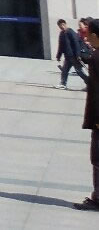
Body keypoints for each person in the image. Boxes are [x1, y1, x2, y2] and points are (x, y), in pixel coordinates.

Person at [78, 20, 99, 210]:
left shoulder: (97, 57)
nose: (86, 37)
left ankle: (98, 198)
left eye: (87, 34)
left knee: (97, 159)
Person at [60, 19, 91, 90]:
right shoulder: (62, 34)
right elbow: (61, 45)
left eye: (80, 25)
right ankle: (63, 84)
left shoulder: (71, 32)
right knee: (65, 70)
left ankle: (90, 83)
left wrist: (78, 55)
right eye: (60, 26)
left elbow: (76, 44)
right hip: (68, 56)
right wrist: (58, 55)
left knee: (79, 71)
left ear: (65, 24)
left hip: (75, 56)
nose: (61, 27)